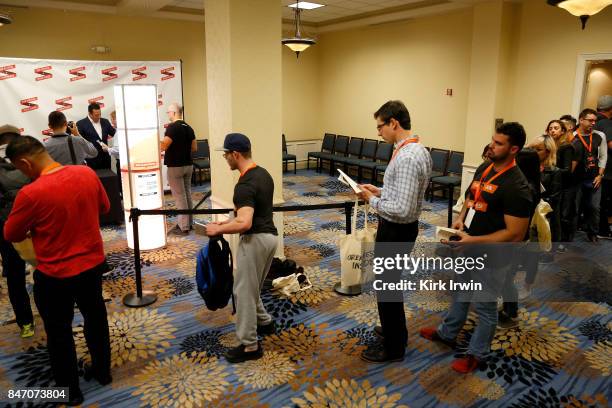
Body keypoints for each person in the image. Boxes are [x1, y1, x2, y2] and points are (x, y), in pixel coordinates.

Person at [3, 136, 112, 406]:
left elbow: (11, 232)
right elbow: (105, 208)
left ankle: (70, 391)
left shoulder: (31, 193)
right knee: (96, 318)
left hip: (55, 275)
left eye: (20, 168)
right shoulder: (86, 173)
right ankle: (103, 372)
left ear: (25, 162)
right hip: (91, 266)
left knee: (59, 332)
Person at [420, 122, 532, 373]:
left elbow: (515, 234)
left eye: (499, 143)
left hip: (492, 256)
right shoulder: (486, 166)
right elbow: (472, 196)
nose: (491, 146)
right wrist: (461, 216)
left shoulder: (517, 186)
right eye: (492, 140)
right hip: (467, 246)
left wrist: (473, 241)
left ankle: (477, 354)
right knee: (460, 292)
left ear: (514, 149)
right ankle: (448, 333)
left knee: (485, 306)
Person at [355, 100, 432, 363]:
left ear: (393, 123)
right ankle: (393, 330)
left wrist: (371, 200)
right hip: (400, 229)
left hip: (397, 230)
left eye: (380, 126)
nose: (378, 133)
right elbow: (402, 194)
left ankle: (394, 347)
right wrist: (380, 191)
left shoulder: (408, 157)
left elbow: (401, 209)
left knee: (388, 287)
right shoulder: (415, 150)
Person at [204, 133, 278, 364]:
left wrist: (218, 230)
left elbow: (245, 222)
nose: (225, 158)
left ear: (236, 154)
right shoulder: (263, 174)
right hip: (270, 239)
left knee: (243, 292)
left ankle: (249, 345)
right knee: (252, 286)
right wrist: (224, 223)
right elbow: (250, 215)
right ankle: (265, 321)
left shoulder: (244, 185)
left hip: (254, 241)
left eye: (226, 154)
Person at [0, 127, 34, 338]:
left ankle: (26, 323)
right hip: (36, 223)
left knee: (14, 277)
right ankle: (55, 312)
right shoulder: (30, 161)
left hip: (7, 228)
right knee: (47, 271)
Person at [572, 108, 607, 243]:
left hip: (594, 178)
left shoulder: (600, 136)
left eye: (595, 121)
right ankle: (570, 235)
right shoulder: (573, 136)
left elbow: (603, 157)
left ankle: (593, 233)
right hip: (577, 179)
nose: (593, 123)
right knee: (574, 208)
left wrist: (600, 175)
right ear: (581, 120)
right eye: (590, 120)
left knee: (594, 207)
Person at [161, 103, 197, 235]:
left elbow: (164, 146)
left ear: (174, 113)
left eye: (168, 112)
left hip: (175, 166)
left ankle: (183, 226)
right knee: (187, 194)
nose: (168, 115)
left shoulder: (172, 127)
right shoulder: (189, 127)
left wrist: (155, 140)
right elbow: (194, 148)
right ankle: (189, 222)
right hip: (188, 165)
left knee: (179, 197)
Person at [548, 119, 577, 245]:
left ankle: (564, 242)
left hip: (566, 186)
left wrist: (550, 170)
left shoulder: (566, 147)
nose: (553, 130)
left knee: (563, 216)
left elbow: (567, 170)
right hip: (553, 185)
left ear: (563, 131)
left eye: (556, 128)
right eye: (550, 128)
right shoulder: (548, 145)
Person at [76, 102, 115, 170]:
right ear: (90, 114)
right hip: (91, 160)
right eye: (96, 115)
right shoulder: (81, 124)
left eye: (100, 114)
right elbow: (79, 142)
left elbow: (115, 133)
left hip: (106, 159)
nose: (99, 117)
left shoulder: (105, 121)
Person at [594, 95, 612, 238]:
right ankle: (602, 230)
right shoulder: (607, 123)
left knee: (597, 200)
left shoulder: (592, 121)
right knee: (603, 201)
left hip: (594, 167)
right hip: (606, 169)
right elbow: (611, 144)